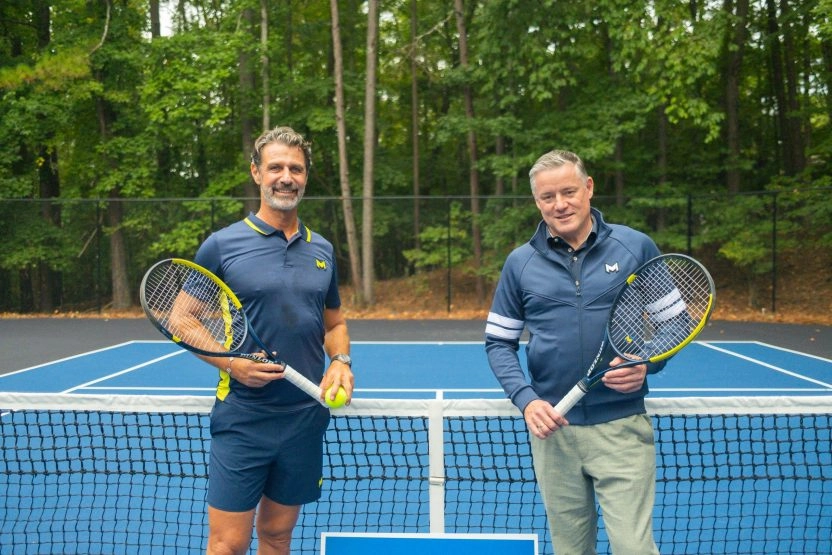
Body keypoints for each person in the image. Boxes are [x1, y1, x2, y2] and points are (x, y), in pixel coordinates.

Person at [484, 149, 664, 554]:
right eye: (548, 197)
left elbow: (675, 322)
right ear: (537, 202)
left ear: (588, 188)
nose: (560, 204)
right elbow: (498, 342)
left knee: (634, 549)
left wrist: (648, 361)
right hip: (554, 433)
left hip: (621, 428)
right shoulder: (520, 263)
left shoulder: (635, 247)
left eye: (568, 192)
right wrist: (527, 400)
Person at [191, 126, 354, 555]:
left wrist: (340, 361)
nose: (286, 177)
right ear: (257, 173)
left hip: (305, 416)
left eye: (295, 169)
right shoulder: (221, 245)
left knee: (278, 536)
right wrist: (231, 363)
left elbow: (334, 323)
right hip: (244, 417)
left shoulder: (322, 250)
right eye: (276, 167)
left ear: (305, 177)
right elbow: (182, 317)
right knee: (227, 543)